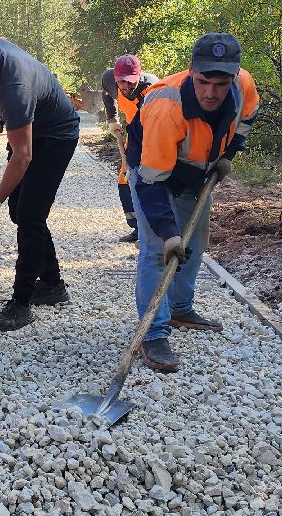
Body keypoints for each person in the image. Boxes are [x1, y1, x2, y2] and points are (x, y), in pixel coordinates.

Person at [126, 33, 259, 373]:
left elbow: (245, 120)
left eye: (221, 83)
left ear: (234, 75)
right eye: (203, 82)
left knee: (195, 244)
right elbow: (152, 184)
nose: (212, 93)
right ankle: (153, 334)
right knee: (159, 250)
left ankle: (181, 308)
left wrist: (228, 155)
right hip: (152, 171)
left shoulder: (243, 86)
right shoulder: (165, 108)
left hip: (196, 173)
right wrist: (169, 232)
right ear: (191, 72)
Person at [0, 17, 81, 331]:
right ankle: (52, 284)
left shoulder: (15, 86)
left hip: (55, 136)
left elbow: (23, 155)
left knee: (31, 217)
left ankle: (21, 303)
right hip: (30, 127)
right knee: (20, 211)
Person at [102, 54, 159, 244]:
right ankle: (137, 228)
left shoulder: (152, 88)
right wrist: (112, 118)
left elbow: (155, 124)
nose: (126, 87)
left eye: (130, 82)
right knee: (124, 181)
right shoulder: (109, 79)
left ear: (139, 76)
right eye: (122, 83)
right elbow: (106, 93)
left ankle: (153, 229)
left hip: (154, 135)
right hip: (132, 132)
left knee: (146, 179)